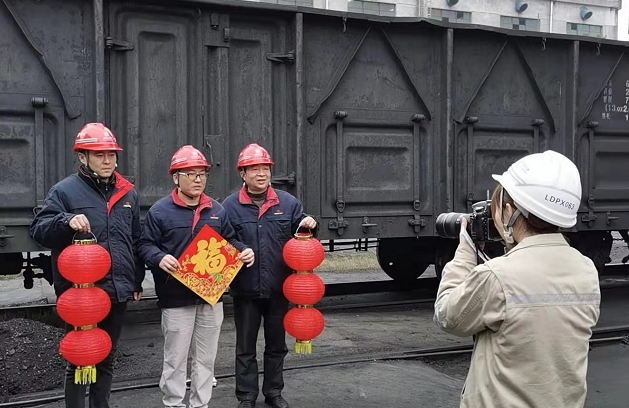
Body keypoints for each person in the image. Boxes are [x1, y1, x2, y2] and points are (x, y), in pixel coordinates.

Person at [434, 150, 601, 408]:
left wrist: (467, 250)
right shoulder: (587, 271)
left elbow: (447, 314)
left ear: (509, 210)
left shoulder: (497, 277)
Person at [30, 123, 144, 408]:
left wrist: (136, 281)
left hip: (117, 291)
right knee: (79, 361)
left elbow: (135, 240)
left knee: (106, 357)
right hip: (81, 295)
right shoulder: (64, 192)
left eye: (111, 155)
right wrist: (65, 220)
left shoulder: (128, 193)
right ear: (83, 157)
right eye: (99, 155)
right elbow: (39, 230)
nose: (108, 161)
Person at [138, 145, 255, 408]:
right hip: (175, 298)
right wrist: (159, 257)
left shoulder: (216, 210)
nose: (198, 179)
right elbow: (145, 245)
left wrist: (243, 250)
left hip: (210, 297)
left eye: (202, 174)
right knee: (175, 359)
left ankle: (201, 404)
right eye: (190, 174)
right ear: (175, 177)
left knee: (206, 359)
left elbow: (230, 239)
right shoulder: (160, 211)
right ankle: (174, 404)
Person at [222, 144, 317, 408]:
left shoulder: (288, 203)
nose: (261, 173)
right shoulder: (229, 206)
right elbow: (223, 239)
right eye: (254, 169)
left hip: (279, 289)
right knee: (245, 348)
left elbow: (303, 234)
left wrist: (311, 224)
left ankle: (273, 392)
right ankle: (247, 396)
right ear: (243, 173)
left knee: (277, 346)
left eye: (265, 168)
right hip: (246, 290)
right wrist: (240, 248)